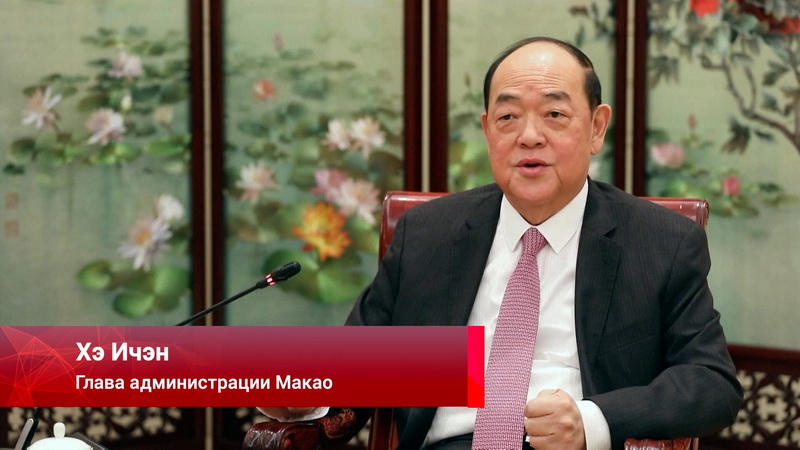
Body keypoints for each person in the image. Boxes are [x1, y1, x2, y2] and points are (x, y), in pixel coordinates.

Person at [260, 36, 742, 450]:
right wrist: (299, 393)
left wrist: (591, 421)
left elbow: (711, 383)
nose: (529, 136)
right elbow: (360, 364)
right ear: (488, 129)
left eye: (554, 114)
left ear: (596, 127)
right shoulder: (429, 234)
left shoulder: (660, 242)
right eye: (508, 116)